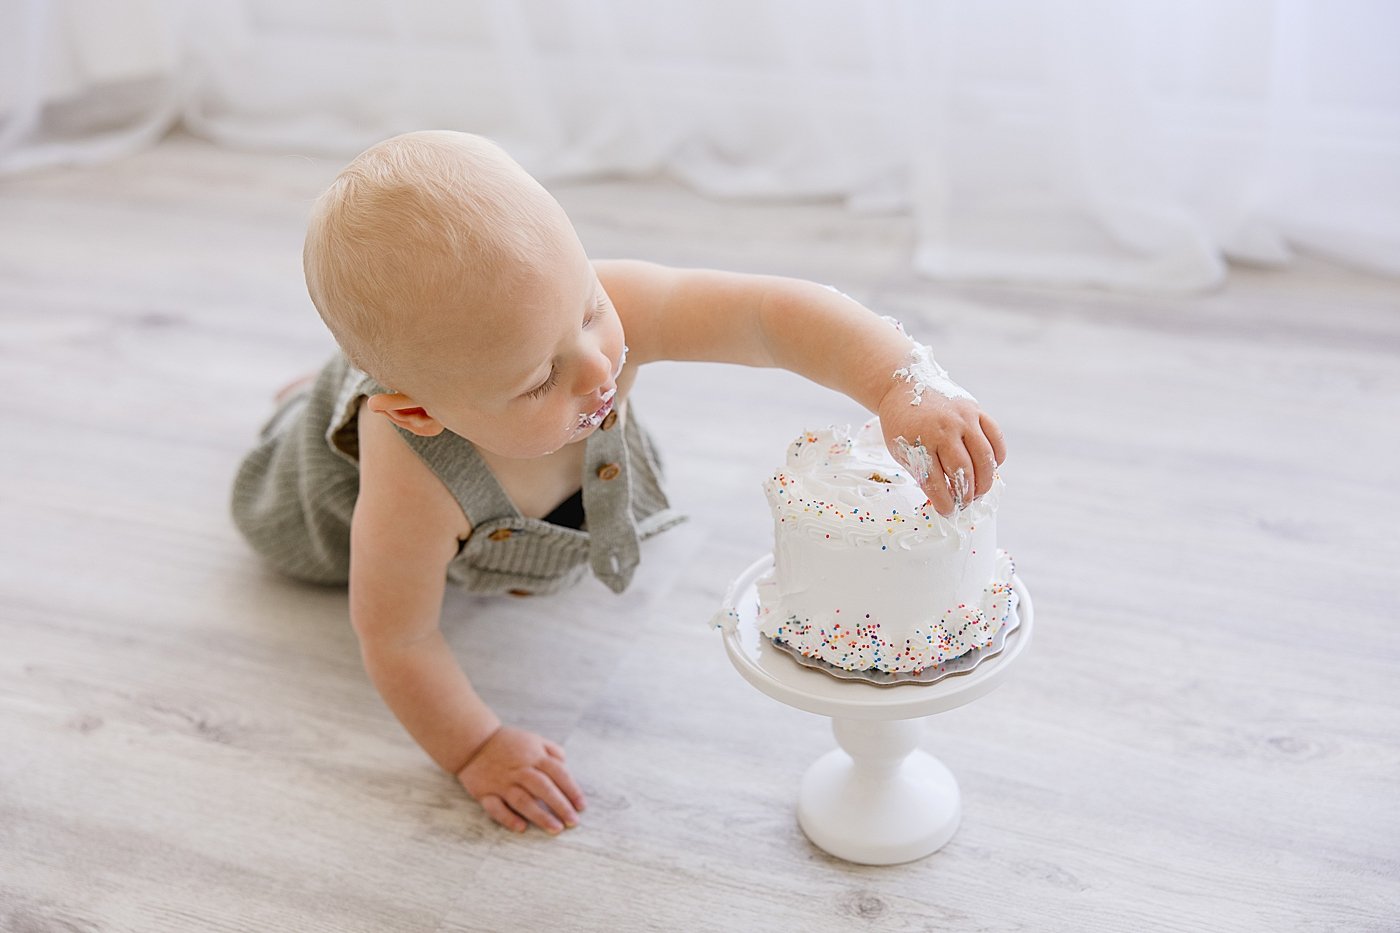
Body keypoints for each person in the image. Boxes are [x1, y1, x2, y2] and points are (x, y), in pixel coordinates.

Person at [230, 130, 1007, 837]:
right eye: (542, 379)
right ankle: (313, 404)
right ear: (421, 414)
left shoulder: (574, 329)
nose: (604, 367)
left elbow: (767, 314)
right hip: (321, 513)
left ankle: (367, 379)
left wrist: (896, 381)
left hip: (453, 397)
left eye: (591, 309)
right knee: (311, 487)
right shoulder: (409, 479)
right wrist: (476, 747)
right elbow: (396, 636)